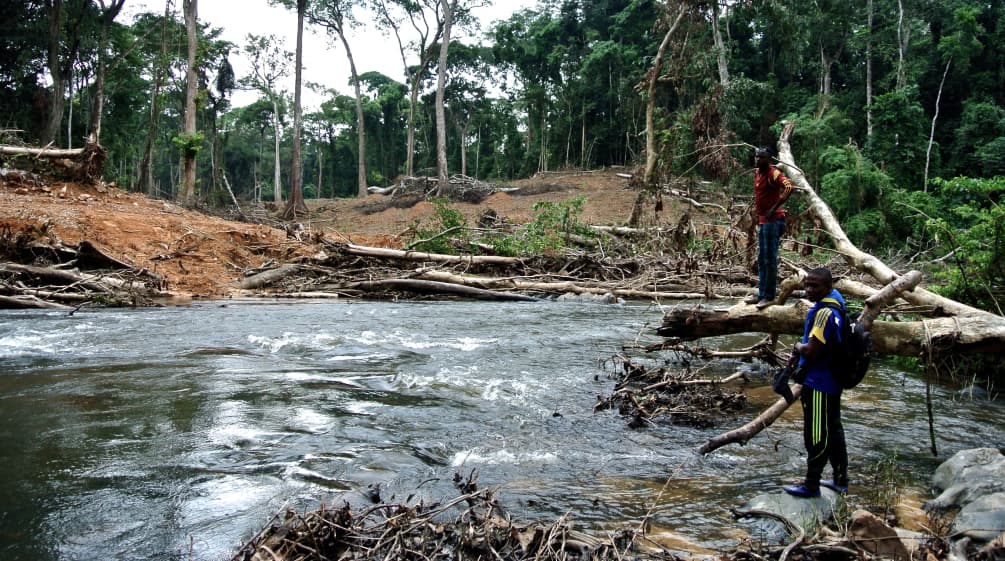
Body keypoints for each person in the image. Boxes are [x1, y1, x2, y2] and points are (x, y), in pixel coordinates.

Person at [781, 267, 849, 498]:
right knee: (834, 429)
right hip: (834, 379)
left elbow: (810, 351)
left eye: (815, 286)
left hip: (820, 383)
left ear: (828, 286)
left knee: (817, 433)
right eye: (807, 285)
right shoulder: (837, 302)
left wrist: (797, 347)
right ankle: (841, 479)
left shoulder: (824, 314)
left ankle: (811, 485)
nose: (809, 290)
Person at [745, 146, 794, 308]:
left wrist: (774, 207)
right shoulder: (758, 173)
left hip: (774, 221)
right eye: (757, 157)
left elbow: (788, 187)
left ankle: (770, 296)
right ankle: (761, 294)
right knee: (762, 259)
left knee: (770, 259)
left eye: (762, 157)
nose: (758, 160)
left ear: (768, 159)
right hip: (763, 222)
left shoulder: (773, 173)